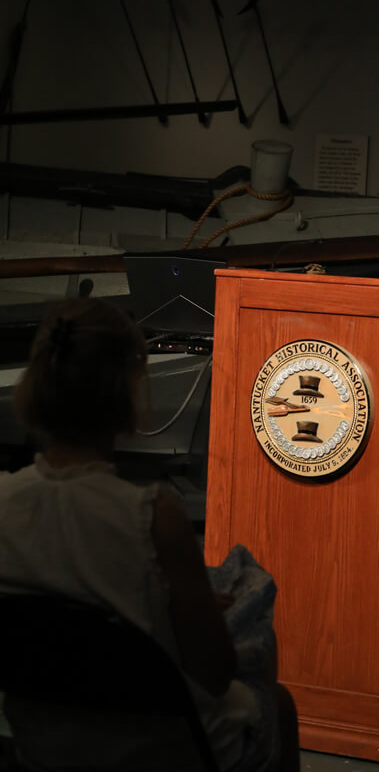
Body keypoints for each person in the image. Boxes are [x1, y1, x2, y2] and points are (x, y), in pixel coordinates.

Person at [0, 298, 299, 771]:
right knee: (267, 665)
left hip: (45, 744)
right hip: (160, 750)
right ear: (128, 391)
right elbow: (214, 674)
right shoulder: (154, 517)